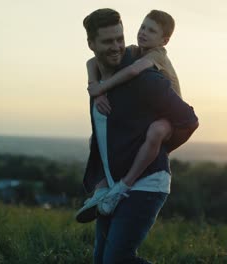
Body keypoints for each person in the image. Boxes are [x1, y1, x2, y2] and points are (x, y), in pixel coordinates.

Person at [80, 8, 198, 264]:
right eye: (108, 41)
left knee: (117, 260)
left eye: (119, 39)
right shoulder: (101, 72)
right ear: (91, 44)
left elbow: (189, 120)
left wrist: (163, 137)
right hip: (113, 186)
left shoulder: (147, 77)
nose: (117, 46)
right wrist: (96, 90)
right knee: (101, 259)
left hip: (145, 183)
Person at [77, 9, 182, 218]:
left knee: (155, 132)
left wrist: (103, 86)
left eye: (151, 30)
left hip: (170, 116)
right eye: (143, 27)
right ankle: (102, 189)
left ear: (164, 40)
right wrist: (94, 87)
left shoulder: (155, 55)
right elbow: (92, 62)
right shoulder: (137, 51)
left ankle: (123, 186)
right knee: (98, 140)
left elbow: (133, 71)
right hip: (156, 114)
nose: (143, 32)